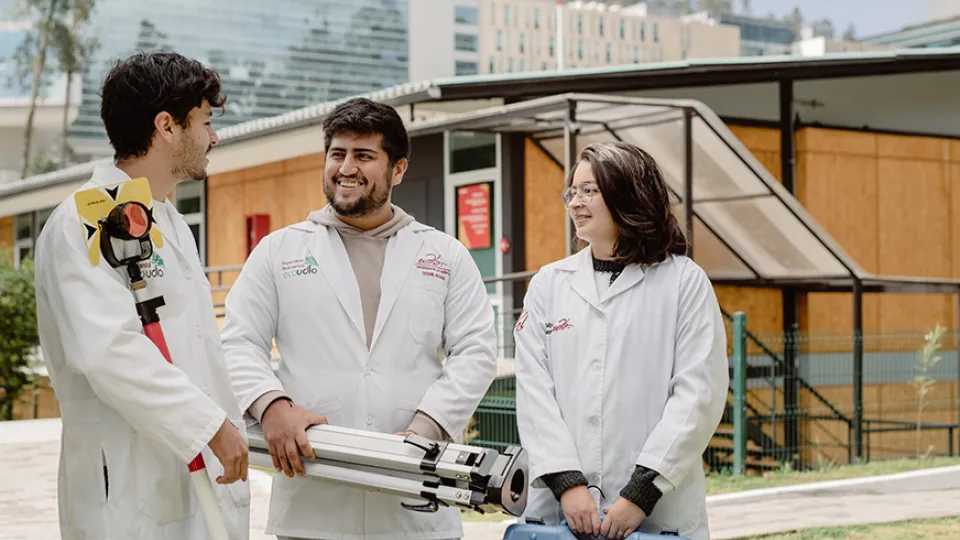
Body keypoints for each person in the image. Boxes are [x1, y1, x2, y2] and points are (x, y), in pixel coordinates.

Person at [220, 97, 499, 540]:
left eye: (364, 155)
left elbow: (478, 351)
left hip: (416, 500)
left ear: (399, 169)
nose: (346, 167)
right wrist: (271, 406)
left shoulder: (444, 255)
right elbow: (237, 341)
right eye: (338, 153)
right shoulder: (279, 252)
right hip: (314, 500)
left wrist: (427, 429)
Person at [33, 51, 250, 540]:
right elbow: (108, 351)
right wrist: (210, 425)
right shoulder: (83, 220)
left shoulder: (168, 219)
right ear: (166, 125)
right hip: (126, 481)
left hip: (185, 468)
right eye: (205, 122)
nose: (213, 137)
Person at [513, 141, 729, 540]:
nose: (575, 202)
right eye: (572, 192)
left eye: (589, 190)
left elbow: (698, 394)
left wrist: (641, 492)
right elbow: (533, 392)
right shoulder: (548, 285)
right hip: (563, 512)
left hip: (658, 513)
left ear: (629, 195)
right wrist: (567, 482)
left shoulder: (683, 281)